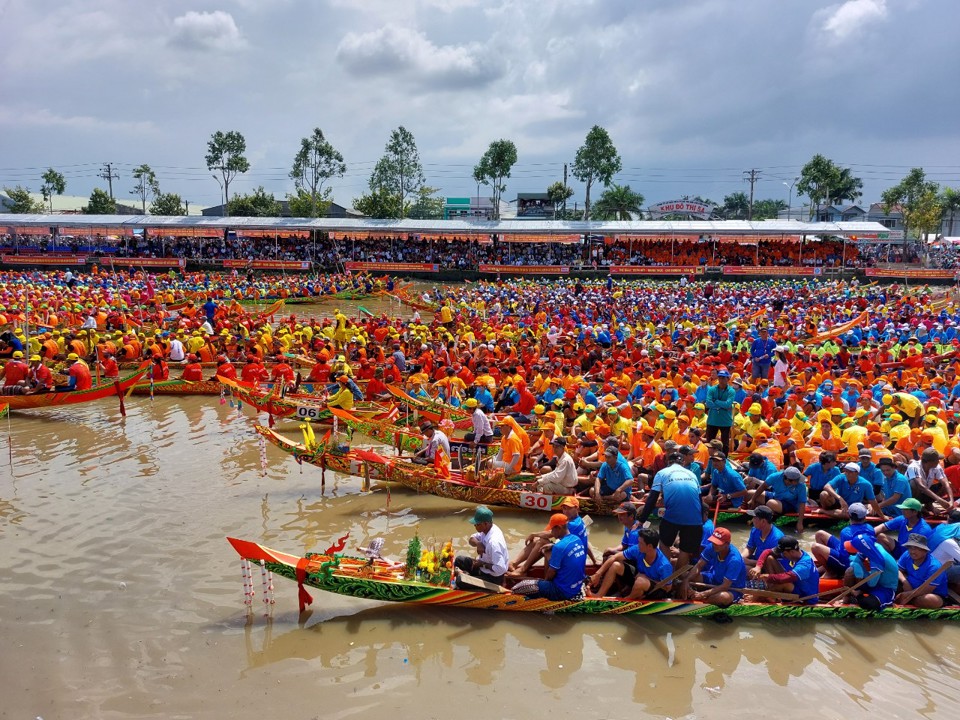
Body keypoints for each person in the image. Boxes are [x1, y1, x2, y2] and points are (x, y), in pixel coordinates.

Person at [639, 452, 703, 572]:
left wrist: (641, 520)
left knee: (664, 543)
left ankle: (666, 574)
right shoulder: (692, 474)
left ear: (668, 463)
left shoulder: (662, 473)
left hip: (674, 515)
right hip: (695, 519)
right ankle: (677, 578)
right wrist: (701, 522)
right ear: (683, 463)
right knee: (685, 550)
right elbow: (699, 500)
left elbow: (652, 498)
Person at [512, 513, 586, 601]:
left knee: (520, 587)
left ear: (558, 528)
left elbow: (551, 573)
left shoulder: (560, 547)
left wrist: (544, 584)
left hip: (562, 591)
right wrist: (552, 546)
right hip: (575, 586)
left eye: (552, 530)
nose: (551, 533)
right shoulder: (577, 539)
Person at [588, 527, 674, 600]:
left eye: (640, 543)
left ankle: (626, 600)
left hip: (656, 590)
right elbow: (615, 557)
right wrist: (598, 574)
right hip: (639, 577)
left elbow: (667, 588)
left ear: (650, 546)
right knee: (615, 565)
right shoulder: (637, 549)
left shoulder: (664, 565)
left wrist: (647, 578)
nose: (638, 544)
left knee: (640, 582)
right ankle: (599, 595)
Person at [684, 527, 746, 608]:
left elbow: (725, 586)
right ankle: (694, 594)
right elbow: (698, 565)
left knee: (723, 597)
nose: (714, 545)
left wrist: (702, 594)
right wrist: (686, 580)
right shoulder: (712, 547)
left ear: (727, 543)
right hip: (713, 578)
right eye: (713, 542)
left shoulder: (734, 560)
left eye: (718, 543)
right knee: (686, 575)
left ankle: (701, 599)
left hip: (732, 588)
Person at [748, 535, 820, 604]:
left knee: (784, 584)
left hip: (806, 597)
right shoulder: (795, 553)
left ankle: (757, 598)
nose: (783, 555)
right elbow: (767, 551)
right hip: (796, 584)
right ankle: (771, 593)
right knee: (769, 558)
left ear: (791, 552)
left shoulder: (804, 566)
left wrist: (767, 577)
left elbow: (784, 578)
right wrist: (758, 567)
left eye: (784, 553)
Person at [810, 502, 876, 578]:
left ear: (849, 515)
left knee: (815, 547)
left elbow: (845, 556)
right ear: (864, 517)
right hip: (847, 552)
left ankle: (831, 571)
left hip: (846, 562)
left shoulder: (846, 532)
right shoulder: (870, 528)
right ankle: (825, 566)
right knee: (820, 534)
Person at [454, 506, 508, 588]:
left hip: (492, 577)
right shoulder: (486, 529)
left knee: (459, 581)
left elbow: (501, 569)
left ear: (485, 523)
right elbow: (471, 539)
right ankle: (469, 576)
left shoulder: (494, 543)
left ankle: (468, 577)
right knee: (459, 560)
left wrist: (482, 564)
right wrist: (478, 543)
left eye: (477, 524)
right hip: (482, 567)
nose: (475, 526)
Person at [844, 534, 900, 610]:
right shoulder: (871, 547)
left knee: (869, 603)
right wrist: (857, 568)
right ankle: (846, 598)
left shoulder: (878, 560)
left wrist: (856, 593)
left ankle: (857, 596)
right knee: (849, 571)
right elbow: (857, 560)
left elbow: (872, 584)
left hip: (885, 588)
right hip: (874, 581)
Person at [747, 465, 807, 533]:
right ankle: (762, 509)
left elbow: (802, 503)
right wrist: (753, 499)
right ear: (787, 480)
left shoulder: (801, 485)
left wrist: (800, 523)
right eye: (796, 480)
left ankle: (766, 515)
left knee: (770, 503)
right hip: (776, 496)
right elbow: (763, 486)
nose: (798, 481)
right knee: (749, 494)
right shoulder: (775, 476)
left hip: (790, 504)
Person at [895, 533, 948, 609]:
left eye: (917, 548)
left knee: (929, 599)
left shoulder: (934, 566)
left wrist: (908, 594)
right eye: (911, 548)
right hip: (909, 586)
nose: (913, 551)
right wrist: (905, 582)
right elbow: (897, 570)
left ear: (925, 551)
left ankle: (910, 601)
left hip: (929, 593)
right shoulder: (907, 555)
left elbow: (927, 589)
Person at [819, 462, 884, 519]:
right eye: (846, 471)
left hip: (853, 506)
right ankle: (828, 510)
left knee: (849, 515)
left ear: (857, 473)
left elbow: (873, 500)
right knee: (823, 494)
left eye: (850, 472)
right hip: (839, 502)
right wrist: (840, 499)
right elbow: (826, 486)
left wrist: (882, 516)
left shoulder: (866, 484)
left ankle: (825, 512)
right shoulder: (841, 477)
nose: (847, 473)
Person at [704, 369, 735, 453]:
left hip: (725, 421)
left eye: (723, 378)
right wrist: (722, 406)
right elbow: (708, 403)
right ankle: (709, 459)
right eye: (720, 378)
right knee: (709, 442)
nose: (721, 380)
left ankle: (724, 460)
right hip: (712, 420)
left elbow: (728, 404)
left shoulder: (731, 391)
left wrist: (716, 401)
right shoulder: (712, 389)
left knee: (725, 444)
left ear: (728, 379)